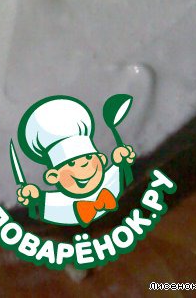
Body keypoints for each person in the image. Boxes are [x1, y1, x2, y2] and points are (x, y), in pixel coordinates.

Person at [16, 95, 135, 226]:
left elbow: (124, 175)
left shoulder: (111, 182)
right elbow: (37, 209)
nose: (84, 166)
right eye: (72, 163)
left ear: (101, 159)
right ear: (53, 176)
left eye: (88, 157)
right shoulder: (58, 205)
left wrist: (122, 161)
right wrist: (32, 197)